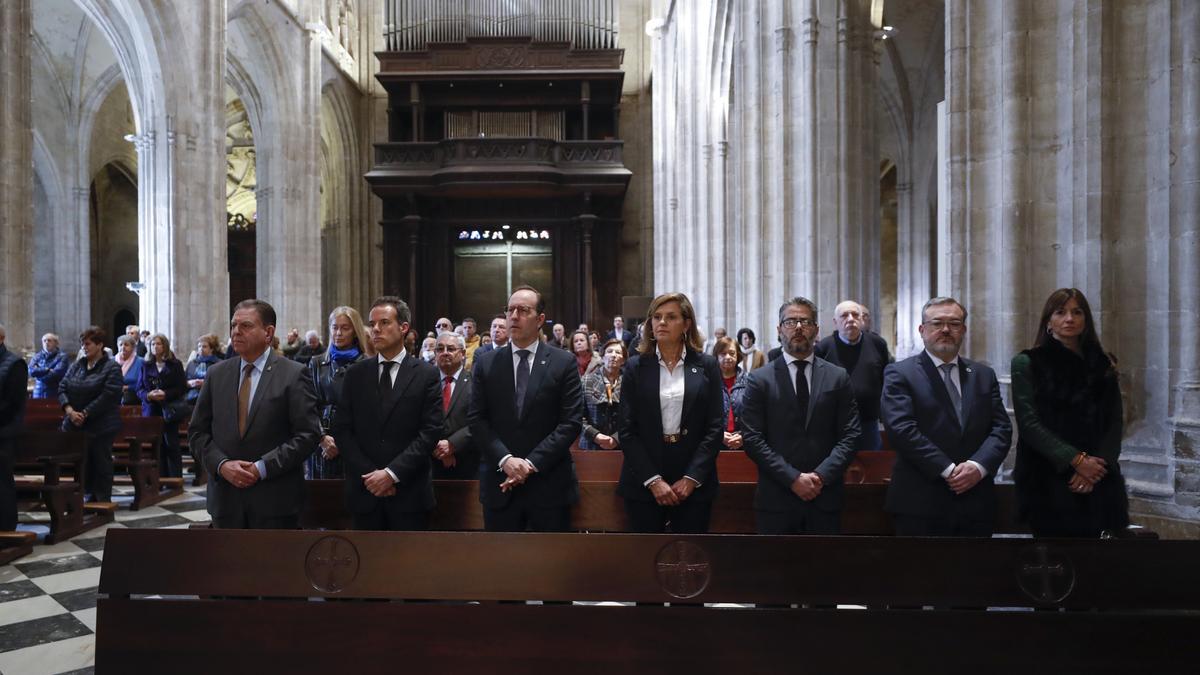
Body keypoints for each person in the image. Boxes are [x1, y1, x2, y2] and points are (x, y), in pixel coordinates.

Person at [881, 297, 1012, 536]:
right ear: (922, 330)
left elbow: (1001, 429)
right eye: (937, 323)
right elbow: (902, 429)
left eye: (954, 323)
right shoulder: (900, 373)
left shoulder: (983, 375)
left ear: (963, 330)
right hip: (921, 501)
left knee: (976, 572)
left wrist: (977, 466)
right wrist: (948, 470)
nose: (945, 330)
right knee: (923, 573)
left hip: (976, 500)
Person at [189, 299, 321, 529]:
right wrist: (221, 465)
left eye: (246, 326)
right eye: (233, 325)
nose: (236, 332)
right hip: (225, 500)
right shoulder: (217, 374)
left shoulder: (293, 374)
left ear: (268, 333)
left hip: (275, 502)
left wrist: (261, 468)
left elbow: (307, 435)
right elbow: (197, 432)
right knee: (227, 566)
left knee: (274, 566)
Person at [1011, 288, 1128, 538]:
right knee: (1056, 564)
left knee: (1103, 566)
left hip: (1099, 476)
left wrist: (1097, 468)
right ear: (1048, 321)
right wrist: (1076, 461)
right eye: (1060, 312)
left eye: (1077, 312)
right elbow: (1029, 423)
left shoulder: (1103, 363)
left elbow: (1115, 420)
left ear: (1086, 320)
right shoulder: (1027, 363)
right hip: (1049, 475)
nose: (1069, 319)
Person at [741, 298, 862, 534]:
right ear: (779, 330)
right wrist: (793, 478)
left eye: (805, 322)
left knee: (823, 570)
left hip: (824, 496)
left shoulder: (837, 377)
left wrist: (820, 476)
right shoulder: (760, 379)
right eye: (790, 322)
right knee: (774, 570)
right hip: (776, 498)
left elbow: (851, 434)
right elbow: (753, 439)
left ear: (816, 330)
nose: (798, 327)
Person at [468, 285, 583, 532]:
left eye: (523, 310)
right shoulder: (486, 363)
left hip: (549, 484)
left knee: (552, 566)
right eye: (510, 310)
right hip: (500, 482)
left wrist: (529, 464)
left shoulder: (563, 362)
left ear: (540, 319)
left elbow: (570, 422)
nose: (514, 316)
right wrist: (506, 459)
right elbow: (477, 420)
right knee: (502, 567)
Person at [332, 297, 442, 530]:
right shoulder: (356, 374)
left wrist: (391, 474)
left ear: (403, 328)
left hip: (409, 491)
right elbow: (342, 429)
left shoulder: (426, 374)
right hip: (365, 490)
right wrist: (371, 474)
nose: (376, 329)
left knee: (409, 565)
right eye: (372, 324)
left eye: (384, 323)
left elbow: (429, 432)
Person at [618, 292, 724, 534]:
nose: (661, 322)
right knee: (645, 558)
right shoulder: (636, 366)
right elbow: (627, 429)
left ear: (686, 324)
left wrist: (691, 478)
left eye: (670, 317)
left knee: (690, 557)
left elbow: (715, 427)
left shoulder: (706, 365)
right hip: (644, 476)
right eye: (656, 317)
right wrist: (653, 480)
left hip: (693, 477)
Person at [814, 301, 893, 451]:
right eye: (844, 315)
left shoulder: (878, 344)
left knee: (871, 465)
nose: (850, 319)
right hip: (834, 423)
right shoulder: (823, 348)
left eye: (855, 315)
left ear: (862, 319)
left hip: (868, 422)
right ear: (835, 322)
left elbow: (885, 380)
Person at [307, 306, 373, 480]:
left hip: (355, 445)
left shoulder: (368, 364)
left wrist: (345, 443)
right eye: (335, 327)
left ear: (355, 331)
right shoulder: (317, 363)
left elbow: (371, 411)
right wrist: (322, 438)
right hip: (322, 443)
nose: (339, 333)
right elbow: (307, 406)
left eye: (345, 328)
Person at [59, 327, 123, 503]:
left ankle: (102, 499)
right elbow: (62, 387)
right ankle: (84, 495)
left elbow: (109, 394)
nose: (84, 347)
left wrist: (86, 413)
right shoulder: (77, 365)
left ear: (100, 345)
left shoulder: (112, 367)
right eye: (82, 344)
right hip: (76, 423)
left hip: (102, 423)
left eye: (87, 344)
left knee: (100, 461)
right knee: (83, 462)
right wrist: (70, 411)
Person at [137, 333, 187, 478]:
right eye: (153, 344)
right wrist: (148, 395)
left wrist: (166, 394)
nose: (155, 347)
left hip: (169, 409)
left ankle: (174, 478)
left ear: (165, 346)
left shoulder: (175, 364)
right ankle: (159, 477)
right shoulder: (146, 365)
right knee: (156, 445)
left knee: (171, 444)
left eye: (158, 344)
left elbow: (181, 387)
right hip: (152, 409)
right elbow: (139, 388)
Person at [431, 331, 477, 479]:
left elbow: (479, 421)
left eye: (450, 349)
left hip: (465, 462)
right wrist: (436, 447)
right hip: (429, 463)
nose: (445, 353)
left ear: (463, 353)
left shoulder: (476, 383)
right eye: (440, 349)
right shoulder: (424, 382)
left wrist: (452, 444)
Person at [0, 324, 28, 531]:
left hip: (4, 432)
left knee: (2, 481)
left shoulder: (14, 364)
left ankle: (7, 528)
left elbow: (12, 403)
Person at [580, 338, 627, 451]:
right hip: (590, 445)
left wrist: (616, 438)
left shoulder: (630, 383)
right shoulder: (586, 381)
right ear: (602, 356)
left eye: (618, 352)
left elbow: (634, 417)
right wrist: (595, 435)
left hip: (621, 445)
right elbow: (577, 416)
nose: (613, 355)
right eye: (609, 351)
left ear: (624, 360)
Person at [712, 337, 747, 451]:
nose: (727, 357)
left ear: (738, 356)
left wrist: (744, 436)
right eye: (723, 354)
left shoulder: (750, 381)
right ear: (716, 356)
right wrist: (718, 435)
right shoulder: (708, 381)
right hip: (715, 443)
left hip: (744, 443)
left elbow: (755, 416)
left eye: (732, 353)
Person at [29, 333, 70, 399]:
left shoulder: (62, 356)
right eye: (44, 341)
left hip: (54, 393)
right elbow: (31, 371)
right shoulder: (37, 356)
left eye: (49, 340)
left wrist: (38, 374)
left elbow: (56, 374)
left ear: (56, 343)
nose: (46, 342)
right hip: (38, 393)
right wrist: (47, 370)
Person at [185, 334, 222, 406]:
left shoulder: (219, 364)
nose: (201, 349)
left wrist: (205, 383)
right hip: (191, 396)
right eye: (199, 346)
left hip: (211, 397)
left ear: (212, 349)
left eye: (204, 346)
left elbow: (222, 383)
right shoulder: (192, 363)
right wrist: (190, 383)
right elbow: (184, 380)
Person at [114, 334, 145, 405]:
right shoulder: (111, 361)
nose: (123, 347)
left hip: (133, 395)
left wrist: (128, 387)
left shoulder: (141, 362)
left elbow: (144, 383)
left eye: (126, 345)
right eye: (120, 345)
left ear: (133, 347)